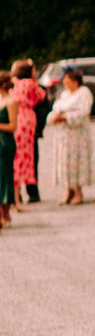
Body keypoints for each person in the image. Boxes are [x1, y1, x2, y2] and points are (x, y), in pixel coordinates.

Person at [46, 67, 94, 204]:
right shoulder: (64, 95)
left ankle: (78, 191)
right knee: (65, 162)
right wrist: (53, 118)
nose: (66, 83)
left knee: (76, 162)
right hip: (63, 136)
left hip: (77, 135)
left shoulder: (84, 93)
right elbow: (54, 110)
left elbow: (83, 112)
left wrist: (65, 117)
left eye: (69, 80)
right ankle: (68, 190)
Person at [11, 58, 44, 204]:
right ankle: (30, 190)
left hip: (16, 117)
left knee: (16, 155)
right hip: (28, 119)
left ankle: (16, 193)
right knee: (28, 155)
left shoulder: (14, 84)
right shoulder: (31, 84)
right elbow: (42, 96)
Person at [0, 70, 15, 228]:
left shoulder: (11, 101)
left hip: (5, 143)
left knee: (5, 177)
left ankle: (6, 212)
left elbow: (13, 126)